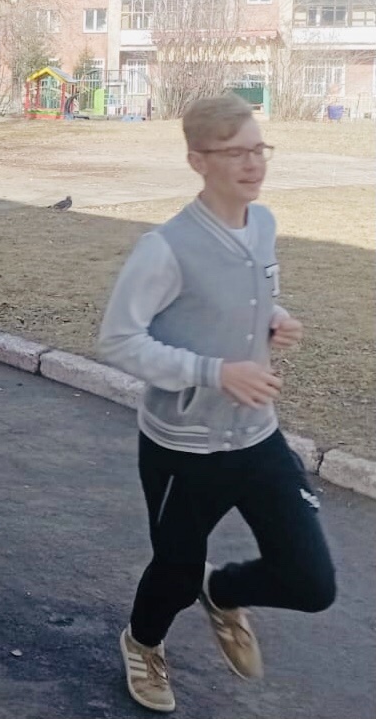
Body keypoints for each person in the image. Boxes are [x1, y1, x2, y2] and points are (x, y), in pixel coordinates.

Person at [97, 94, 336, 714]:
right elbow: (118, 339)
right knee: (174, 572)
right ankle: (143, 642)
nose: (253, 164)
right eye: (235, 153)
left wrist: (274, 318)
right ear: (198, 161)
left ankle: (223, 591)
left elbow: (241, 296)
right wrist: (214, 371)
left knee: (311, 582)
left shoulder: (263, 223)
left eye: (259, 149)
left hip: (256, 434)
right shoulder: (165, 247)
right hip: (185, 446)